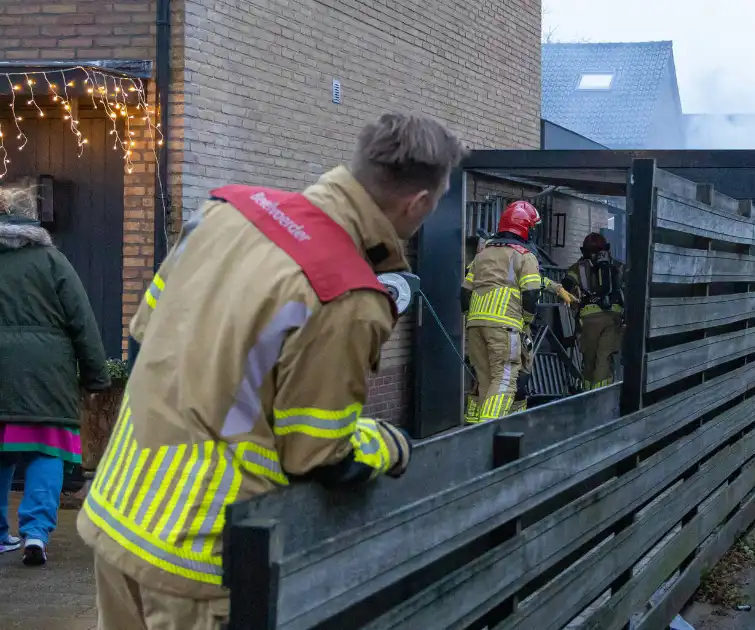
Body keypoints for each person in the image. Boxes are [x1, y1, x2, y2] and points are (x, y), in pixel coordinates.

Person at [79, 112, 466, 629]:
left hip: (121, 510)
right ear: (417, 204)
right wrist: (388, 444)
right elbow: (317, 452)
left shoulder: (224, 213)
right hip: (197, 554)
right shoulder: (346, 294)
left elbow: (145, 329)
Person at [0, 185, 110, 567]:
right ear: (31, 220)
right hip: (47, 377)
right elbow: (82, 321)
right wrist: (96, 377)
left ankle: (0, 535)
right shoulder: (52, 261)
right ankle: (35, 534)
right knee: (46, 452)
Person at [461, 201, 574, 424]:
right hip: (506, 325)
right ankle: (487, 434)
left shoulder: (483, 256)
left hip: (476, 325)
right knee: (505, 379)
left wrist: (557, 288)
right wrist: (527, 321)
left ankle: (474, 432)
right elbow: (530, 292)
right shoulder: (525, 255)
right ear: (525, 228)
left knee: (484, 380)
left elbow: (465, 293)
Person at [561, 232, 625, 390]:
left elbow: (566, 285)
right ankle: (602, 400)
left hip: (588, 320)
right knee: (604, 359)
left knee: (589, 362)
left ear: (584, 251)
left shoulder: (577, 268)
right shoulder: (616, 266)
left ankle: (588, 396)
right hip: (613, 317)